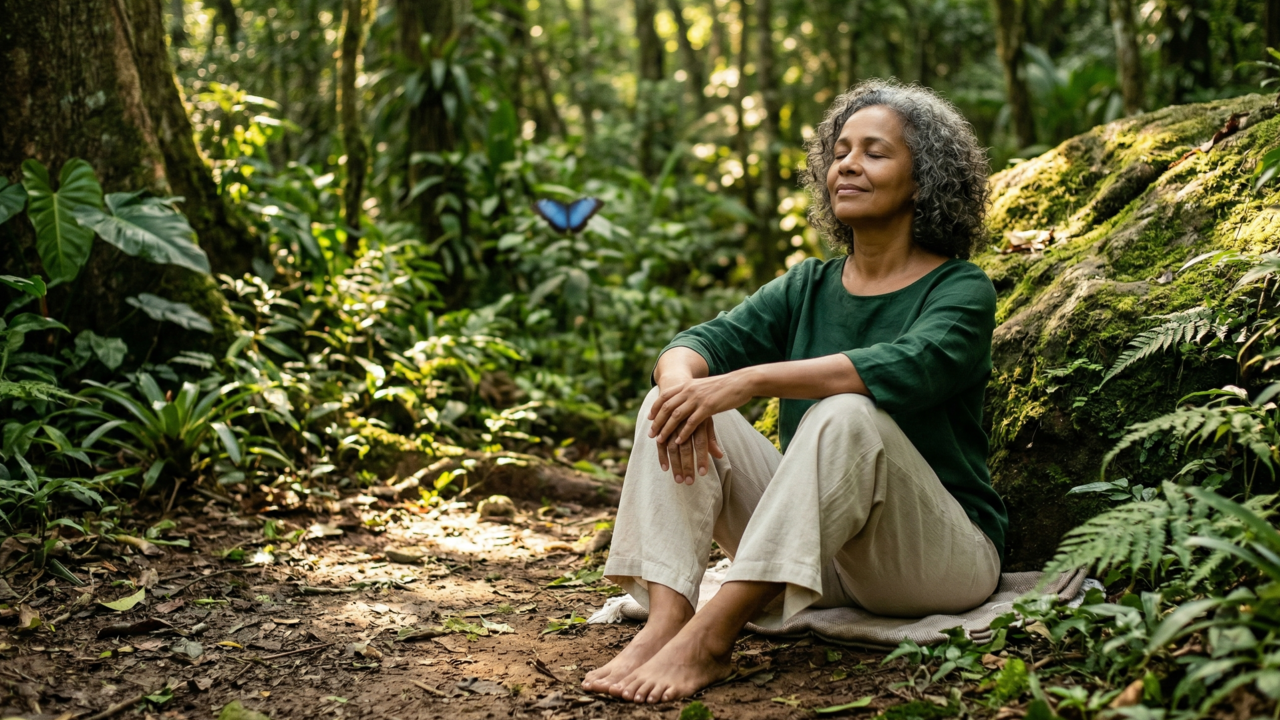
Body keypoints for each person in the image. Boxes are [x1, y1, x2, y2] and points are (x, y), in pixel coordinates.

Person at [580, 79, 1009, 704]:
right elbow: (696, 344)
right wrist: (685, 387)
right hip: (817, 560)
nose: (848, 165)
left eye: (875, 152)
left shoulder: (961, 289)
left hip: (932, 562)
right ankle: (669, 618)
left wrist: (752, 380)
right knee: (667, 402)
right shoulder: (809, 283)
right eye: (839, 152)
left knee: (846, 416)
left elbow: (910, 366)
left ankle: (711, 640)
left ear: (924, 181)